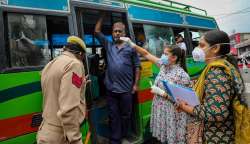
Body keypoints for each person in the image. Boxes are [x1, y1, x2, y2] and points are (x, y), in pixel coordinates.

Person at [177, 30, 245, 143]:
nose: (197, 49)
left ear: (215, 48)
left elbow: (216, 113)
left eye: (202, 45)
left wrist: (185, 107)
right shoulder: (223, 66)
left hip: (218, 137)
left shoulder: (217, 72)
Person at [120, 37, 191, 143]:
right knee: (164, 138)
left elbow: (186, 101)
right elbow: (146, 54)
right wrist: (132, 44)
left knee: (174, 138)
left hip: (172, 113)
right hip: (160, 108)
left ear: (174, 57)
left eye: (166, 54)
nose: (163, 56)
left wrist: (162, 93)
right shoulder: (163, 66)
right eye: (163, 53)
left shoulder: (182, 75)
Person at [94, 15, 141, 144]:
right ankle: (115, 140)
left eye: (120, 31)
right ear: (112, 33)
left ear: (124, 33)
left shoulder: (131, 48)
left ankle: (124, 134)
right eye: (115, 31)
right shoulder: (109, 45)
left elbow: (137, 67)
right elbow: (97, 32)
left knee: (126, 115)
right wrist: (102, 13)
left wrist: (135, 85)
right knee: (113, 116)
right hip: (111, 89)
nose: (117, 33)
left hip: (126, 89)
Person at [37, 36, 88, 144]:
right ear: (80, 54)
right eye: (83, 57)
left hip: (45, 131)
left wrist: (81, 85)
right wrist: (75, 139)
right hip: (60, 135)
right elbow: (68, 109)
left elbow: (55, 89)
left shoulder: (51, 64)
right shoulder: (74, 64)